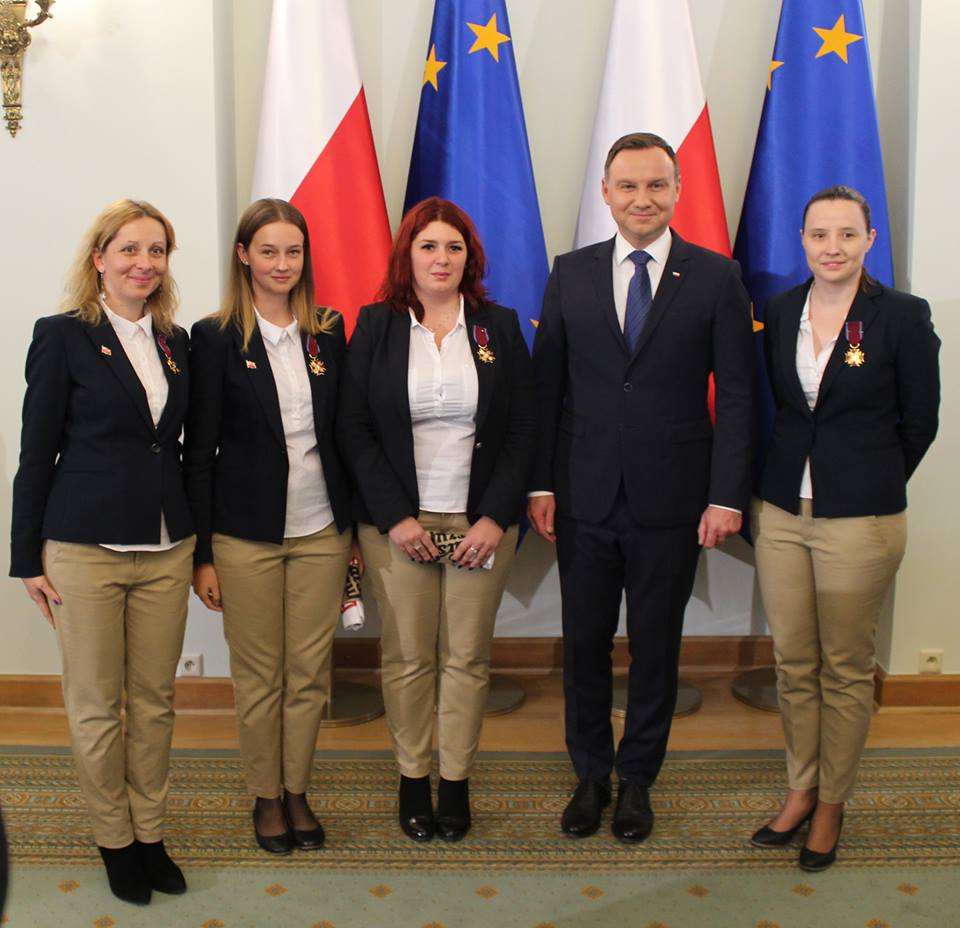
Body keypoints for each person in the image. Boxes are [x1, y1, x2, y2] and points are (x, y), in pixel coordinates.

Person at [529, 132, 755, 843]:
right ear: (605, 193)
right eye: (627, 186)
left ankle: (637, 781)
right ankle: (591, 775)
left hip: (674, 498)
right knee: (584, 644)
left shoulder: (715, 277)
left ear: (678, 191)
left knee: (657, 647)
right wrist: (540, 482)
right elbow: (546, 388)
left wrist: (725, 495)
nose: (642, 199)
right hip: (583, 493)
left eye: (657, 185)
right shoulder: (570, 273)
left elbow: (738, 395)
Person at [749, 186, 940, 871]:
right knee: (793, 663)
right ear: (802, 240)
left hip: (861, 520)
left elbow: (920, 422)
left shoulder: (903, 316)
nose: (832, 247)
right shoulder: (780, 311)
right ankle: (801, 788)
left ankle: (833, 802)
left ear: (869, 240)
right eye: (819, 234)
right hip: (781, 515)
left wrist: (867, 478)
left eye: (847, 234)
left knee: (846, 668)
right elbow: (779, 411)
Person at [10, 200, 194, 905]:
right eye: (129, 249)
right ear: (99, 258)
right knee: (94, 705)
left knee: (154, 702)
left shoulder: (177, 342)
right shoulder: (62, 336)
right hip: (84, 549)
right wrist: (27, 558)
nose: (143, 263)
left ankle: (150, 833)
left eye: (156, 250)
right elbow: (36, 453)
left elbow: (176, 447)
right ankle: (114, 840)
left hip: (166, 547)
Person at [338, 197, 536, 842]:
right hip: (401, 524)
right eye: (428, 246)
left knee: (467, 657)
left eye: (454, 247)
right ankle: (412, 778)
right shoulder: (376, 326)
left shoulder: (498, 326)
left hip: (480, 522)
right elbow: (354, 428)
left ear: (469, 258)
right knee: (406, 657)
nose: (441, 258)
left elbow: (522, 431)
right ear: (409, 255)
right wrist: (394, 517)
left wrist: (495, 517)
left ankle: (454, 782)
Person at [184, 199, 355, 855]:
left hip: (320, 531)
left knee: (309, 673)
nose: (283, 264)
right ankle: (265, 795)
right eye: (269, 251)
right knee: (260, 677)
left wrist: (354, 529)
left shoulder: (328, 330)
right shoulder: (214, 337)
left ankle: (297, 789)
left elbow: (343, 436)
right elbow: (198, 453)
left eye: (293, 251)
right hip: (245, 535)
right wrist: (203, 554)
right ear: (243, 255)